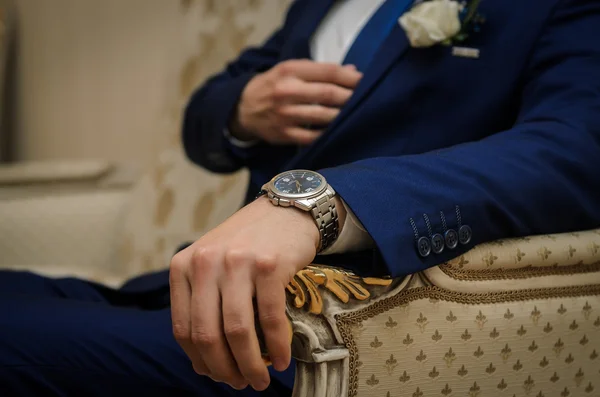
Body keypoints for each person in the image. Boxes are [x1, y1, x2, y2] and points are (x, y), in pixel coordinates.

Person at [1, 0, 600, 396]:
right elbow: (205, 116)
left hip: (339, 332)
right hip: (202, 295)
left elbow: (573, 150)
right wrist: (242, 110)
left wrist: (324, 202)